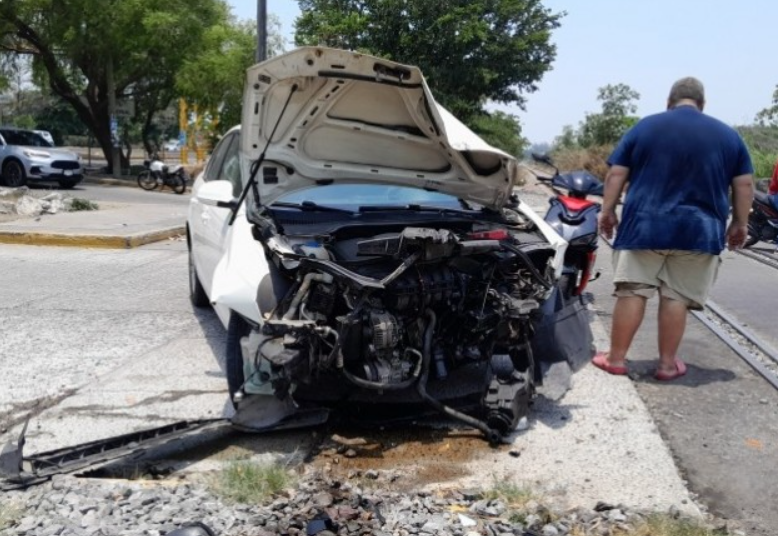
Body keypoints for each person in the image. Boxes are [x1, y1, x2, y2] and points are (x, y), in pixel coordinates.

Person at [594, 77, 754, 381]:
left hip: (644, 226)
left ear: (669, 103)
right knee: (676, 297)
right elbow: (744, 183)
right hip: (699, 231)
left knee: (633, 290)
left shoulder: (645, 126)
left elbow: (616, 173)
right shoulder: (727, 135)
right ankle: (667, 365)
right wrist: (739, 224)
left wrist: (608, 211)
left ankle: (615, 359)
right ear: (702, 104)